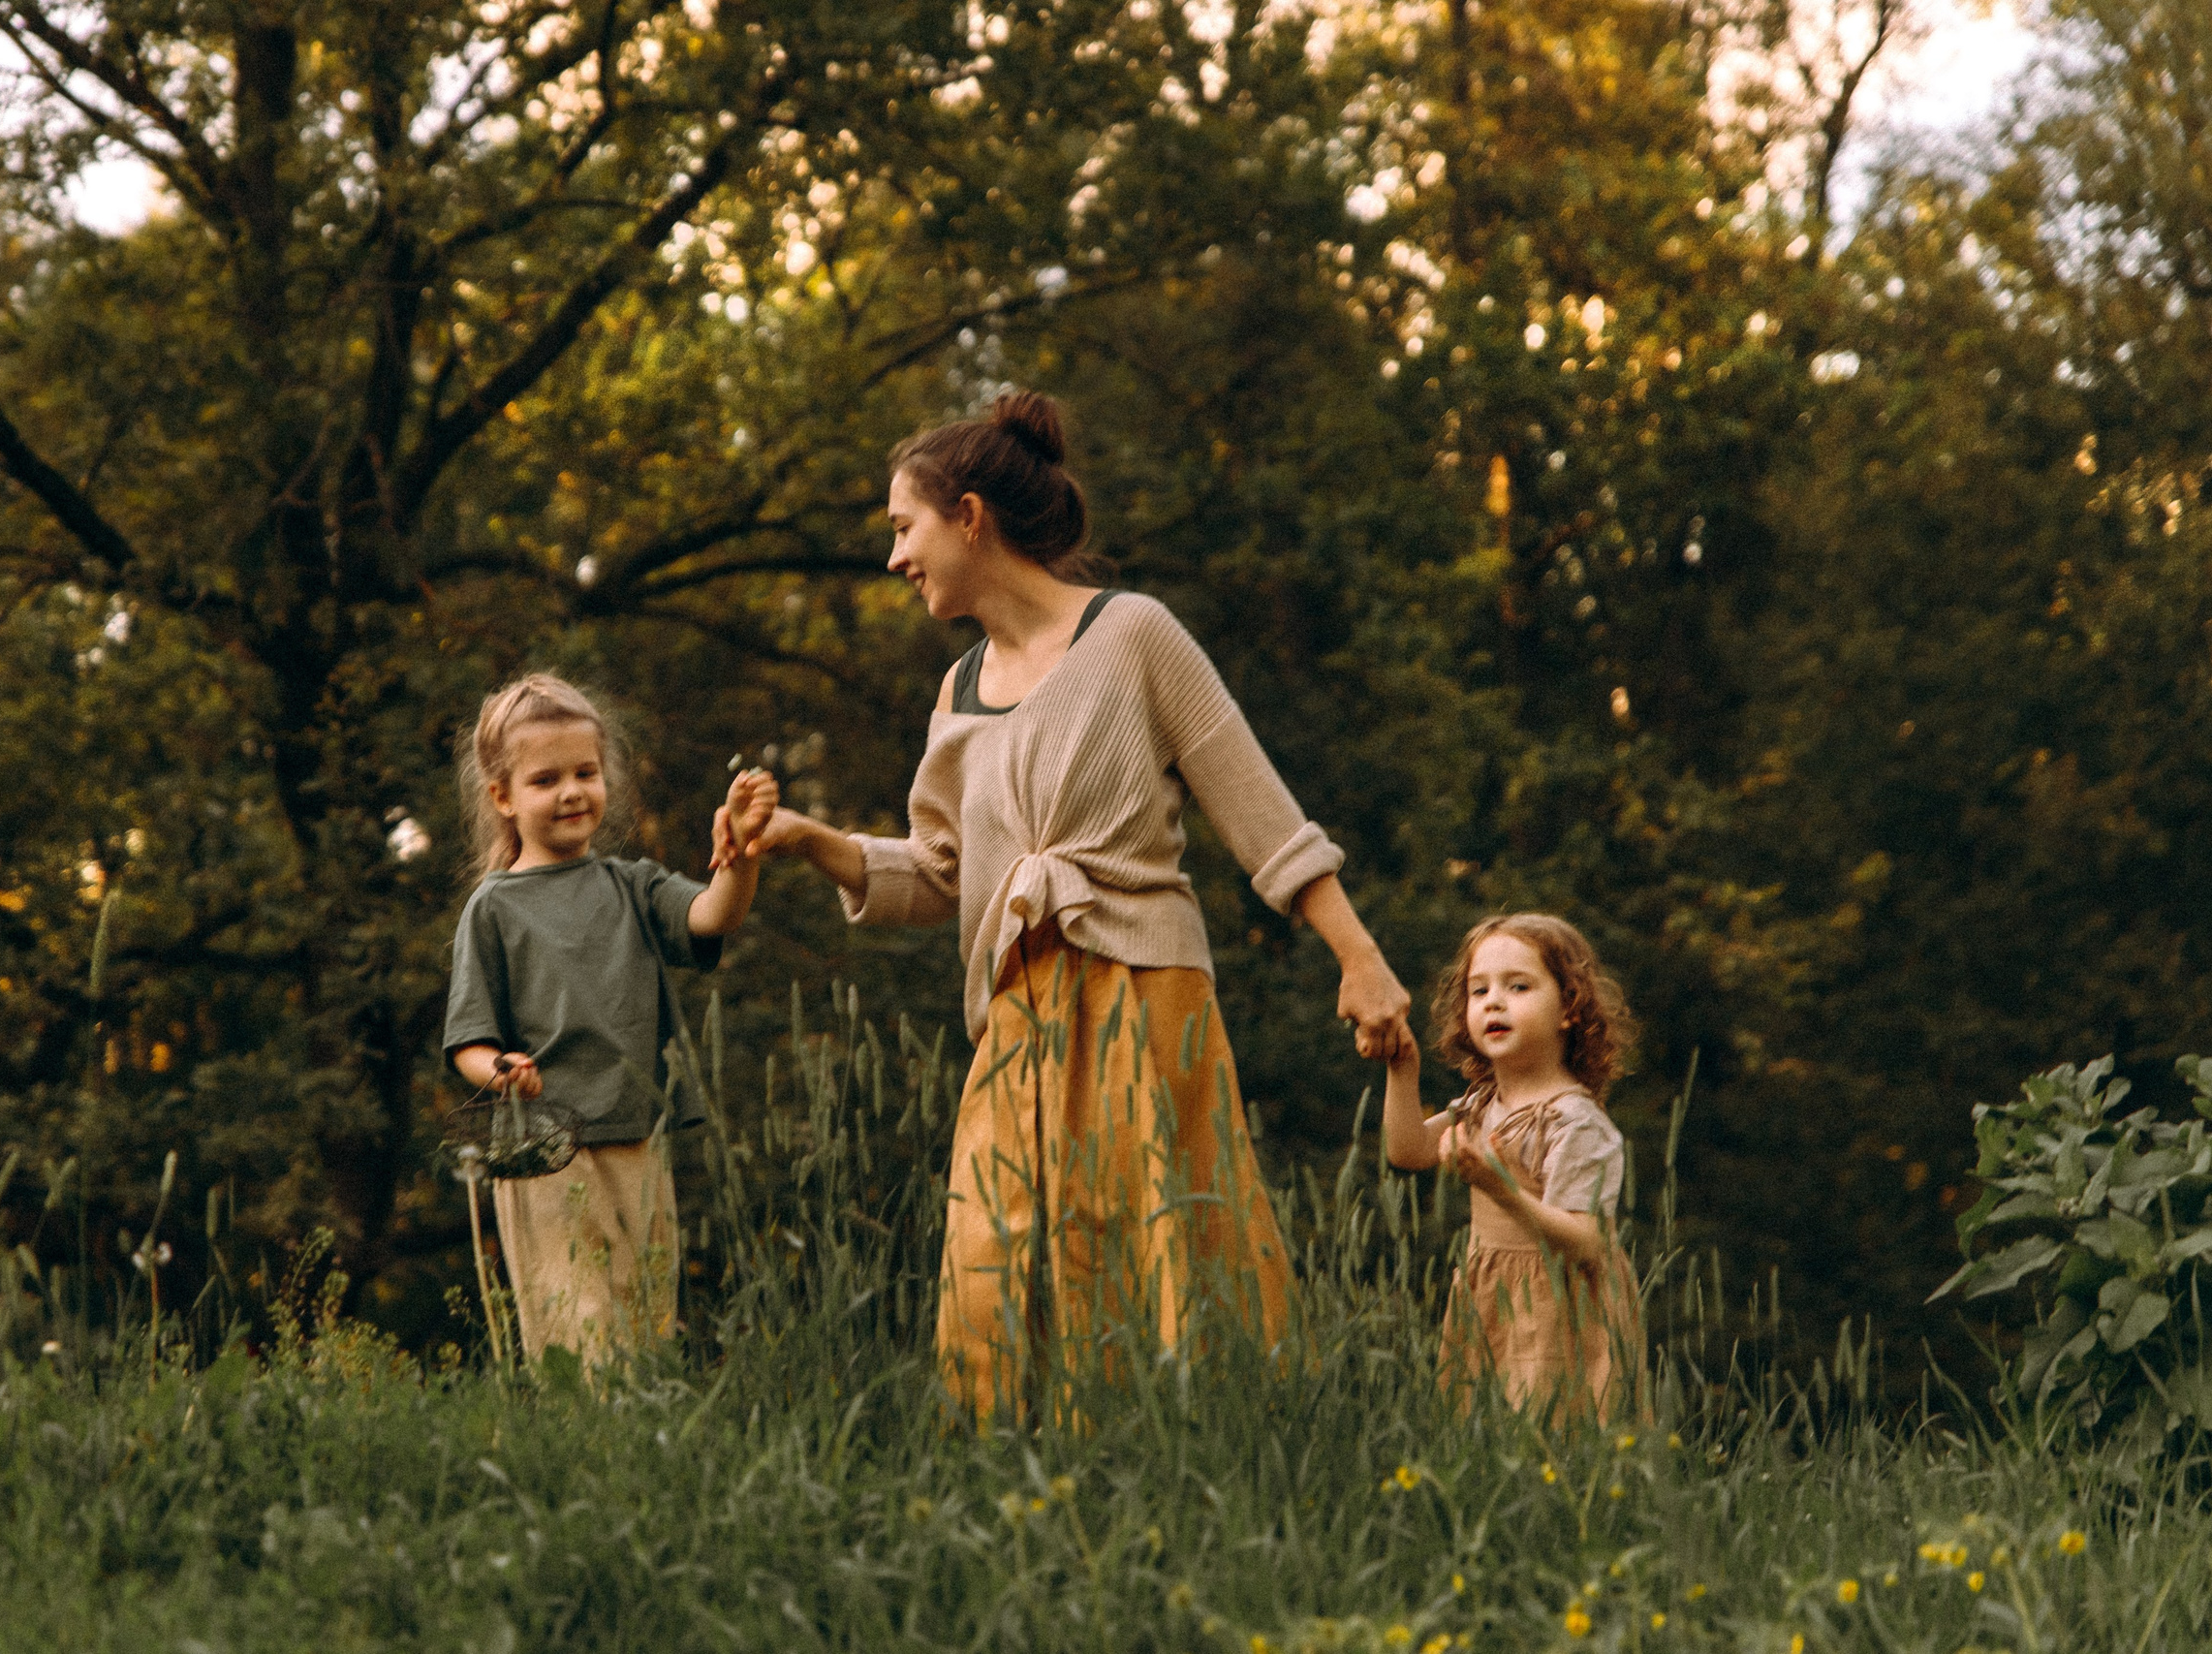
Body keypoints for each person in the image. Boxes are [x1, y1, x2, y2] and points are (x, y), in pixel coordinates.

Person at [734, 390, 1412, 1421]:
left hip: (1144, 987)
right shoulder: (958, 692)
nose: (892, 558)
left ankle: (1201, 1458)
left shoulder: (1131, 634)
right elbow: (945, 877)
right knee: (991, 1258)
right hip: (1017, 1012)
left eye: (901, 528)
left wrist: (1359, 960)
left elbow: (1259, 814)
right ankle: (1020, 1477)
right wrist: (813, 843)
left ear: (969, 517)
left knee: (1162, 1247)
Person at [444, 672, 777, 1364]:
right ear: (502, 796)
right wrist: (501, 1070)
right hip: (544, 1151)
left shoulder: (635, 885)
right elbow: (469, 1044)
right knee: (577, 1328)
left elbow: (716, 912)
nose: (571, 791)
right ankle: (580, 1453)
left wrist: (740, 854)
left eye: (585, 772)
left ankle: (632, 1461)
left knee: (643, 1322)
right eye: (545, 779)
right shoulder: (494, 908)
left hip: (636, 1134)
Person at [1383, 913, 1645, 1423]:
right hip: (1492, 1294)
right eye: (1479, 991)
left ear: (1569, 1008)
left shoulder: (1574, 1120)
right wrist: (1402, 1070)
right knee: (1483, 1439)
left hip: (1560, 1307)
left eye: (1518, 986)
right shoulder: (1483, 1101)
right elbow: (1408, 1151)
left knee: (1553, 1438)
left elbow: (1589, 1240)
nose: (1494, 1002)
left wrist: (1502, 1190)